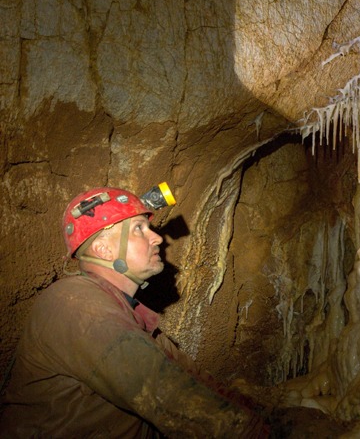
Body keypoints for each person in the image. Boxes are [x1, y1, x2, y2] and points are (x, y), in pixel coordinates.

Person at [0, 185, 268, 437]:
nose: (156, 238)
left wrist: (268, 417)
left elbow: (196, 382)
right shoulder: (74, 303)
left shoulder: (133, 315)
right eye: (139, 228)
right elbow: (169, 395)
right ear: (102, 249)